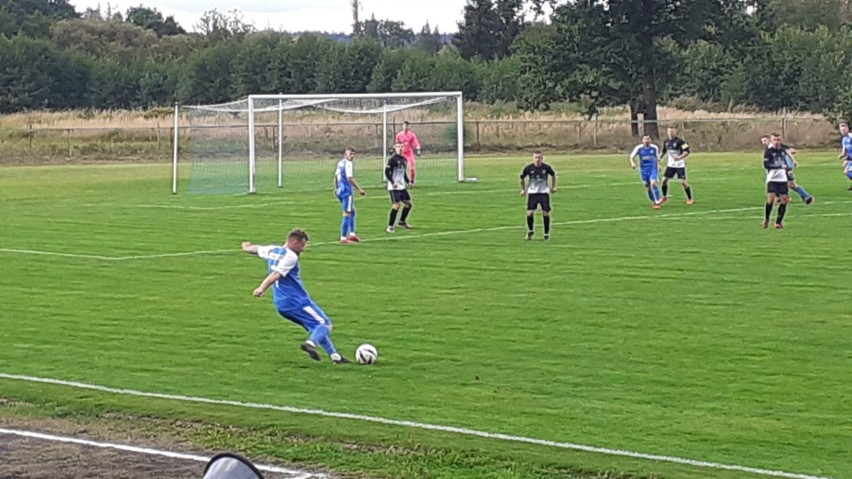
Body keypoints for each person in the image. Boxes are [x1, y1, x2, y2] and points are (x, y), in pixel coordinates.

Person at [241, 229, 350, 364]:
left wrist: (246, 247)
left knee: (315, 327)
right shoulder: (291, 256)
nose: (303, 249)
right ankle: (310, 343)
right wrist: (261, 288)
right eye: (302, 245)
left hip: (281, 305)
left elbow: (256, 249)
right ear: (294, 242)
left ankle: (335, 357)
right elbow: (276, 275)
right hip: (296, 301)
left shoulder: (273, 250)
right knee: (325, 324)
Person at [760, 135, 814, 205]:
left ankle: (806, 196)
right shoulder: (768, 149)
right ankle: (784, 197)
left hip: (785, 169)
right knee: (774, 184)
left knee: (791, 185)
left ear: (769, 140)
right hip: (776, 171)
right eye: (762, 141)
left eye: (765, 140)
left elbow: (788, 151)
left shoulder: (778, 146)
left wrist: (793, 160)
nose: (763, 143)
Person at [519, 151, 558, 240]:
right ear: (533, 158)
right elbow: (522, 178)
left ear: (542, 158)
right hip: (533, 194)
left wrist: (554, 187)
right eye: (536, 157)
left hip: (544, 193)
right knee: (530, 213)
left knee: (545, 213)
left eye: (539, 157)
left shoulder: (546, 167)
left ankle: (546, 233)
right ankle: (530, 231)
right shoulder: (528, 168)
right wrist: (523, 189)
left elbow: (553, 175)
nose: (537, 159)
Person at [334, 147, 366, 244]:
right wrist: (359, 189)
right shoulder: (348, 164)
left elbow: (336, 176)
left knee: (352, 210)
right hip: (347, 191)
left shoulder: (340, 162)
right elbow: (349, 178)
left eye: (353, 154)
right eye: (350, 154)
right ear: (345, 154)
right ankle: (343, 238)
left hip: (340, 190)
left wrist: (336, 189)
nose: (352, 156)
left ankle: (352, 234)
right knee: (347, 213)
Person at [660, 126, 694, 205]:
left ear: (675, 132)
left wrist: (679, 157)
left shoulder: (680, 141)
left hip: (679, 165)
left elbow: (687, 151)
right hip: (670, 165)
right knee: (664, 181)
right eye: (669, 131)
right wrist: (659, 158)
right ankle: (664, 197)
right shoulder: (666, 141)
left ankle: (690, 199)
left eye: (672, 131)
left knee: (683, 182)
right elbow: (664, 152)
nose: (670, 133)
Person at [763, 134, 791, 229]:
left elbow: (785, 163)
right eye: (774, 140)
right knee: (771, 200)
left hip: (782, 179)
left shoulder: (782, 151)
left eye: (778, 140)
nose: (776, 142)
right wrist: (779, 167)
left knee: (784, 200)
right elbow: (766, 165)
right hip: (772, 179)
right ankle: (767, 219)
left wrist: (788, 171)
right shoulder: (769, 151)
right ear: (771, 140)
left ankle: (778, 222)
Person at [385, 142, 414, 233]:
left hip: (401, 186)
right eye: (398, 146)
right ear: (395, 148)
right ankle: (390, 226)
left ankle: (402, 221)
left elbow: (403, 173)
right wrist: (393, 182)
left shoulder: (404, 159)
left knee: (408, 204)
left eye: (402, 146)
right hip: (394, 187)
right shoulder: (392, 159)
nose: (400, 148)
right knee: (396, 205)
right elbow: (387, 172)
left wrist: (408, 182)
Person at [629, 135, 663, 209]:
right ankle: (654, 201)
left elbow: (657, 158)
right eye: (645, 139)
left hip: (653, 168)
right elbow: (631, 157)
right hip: (644, 170)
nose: (646, 140)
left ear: (650, 140)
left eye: (648, 139)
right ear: (642, 140)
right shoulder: (639, 148)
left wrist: (659, 165)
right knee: (648, 187)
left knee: (653, 183)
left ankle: (657, 202)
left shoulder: (654, 148)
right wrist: (633, 163)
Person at [394, 121, 422, 186]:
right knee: (399, 168)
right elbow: (397, 144)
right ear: (402, 126)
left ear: (408, 127)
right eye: (404, 126)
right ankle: (399, 181)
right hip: (401, 154)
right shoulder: (399, 135)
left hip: (409, 153)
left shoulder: (412, 135)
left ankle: (412, 181)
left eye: (406, 126)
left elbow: (416, 142)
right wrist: (395, 150)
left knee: (412, 167)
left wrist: (418, 149)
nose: (405, 127)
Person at [838, 121, 852, 190]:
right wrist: (841, 155)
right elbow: (844, 151)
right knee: (844, 165)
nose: (842, 131)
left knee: (846, 171)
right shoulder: (844, 139)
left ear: (848, 128)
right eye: (841, 129)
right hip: (850, 158)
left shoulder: (851, 137)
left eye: (844, 128)